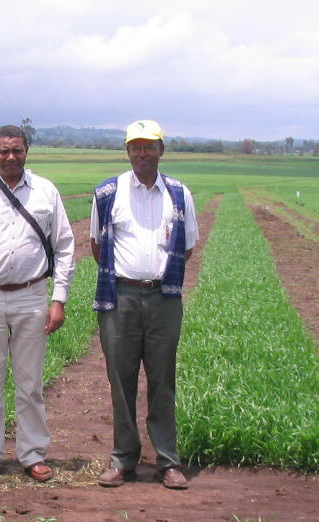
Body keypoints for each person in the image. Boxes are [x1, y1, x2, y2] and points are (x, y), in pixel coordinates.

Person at [0, 125, 76, 482]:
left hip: (31, 295)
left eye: (17, 151)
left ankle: (32, 454)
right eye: (4, 151)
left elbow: (66, 246)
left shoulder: (46, 191)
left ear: (28, 151)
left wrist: (59, 298)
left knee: (30, 382)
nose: (11, 157)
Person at [90, 119, 199, 489]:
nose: (142, 153)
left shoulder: (179, 193)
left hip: (163, 299)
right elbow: (96, 245)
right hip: (120, 298)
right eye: (135, 147)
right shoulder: (108, 193)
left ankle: (167, 461)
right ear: (127, 151)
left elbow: (187, 245)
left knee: (162, 380)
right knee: (120, 382)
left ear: (161, 151)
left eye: (148, 146)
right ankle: (123, 460)